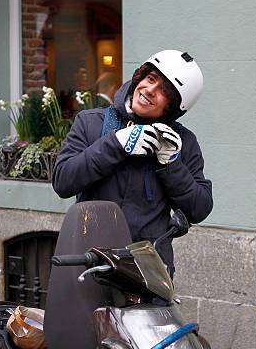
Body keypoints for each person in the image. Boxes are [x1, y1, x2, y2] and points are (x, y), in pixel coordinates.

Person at [52, 49, 213, 277]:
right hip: (90, 261)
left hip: (149, 268)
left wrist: (171, 164)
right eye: (151, 79)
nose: (150, 90)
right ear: (140, 77)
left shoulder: (182, 142)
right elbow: (62, 181)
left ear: (173, 107)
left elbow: (200, 208)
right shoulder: (91, 123)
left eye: (164, 91)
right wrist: (115, 144)